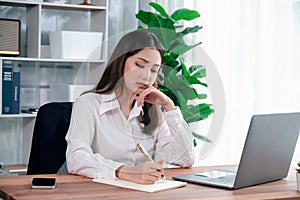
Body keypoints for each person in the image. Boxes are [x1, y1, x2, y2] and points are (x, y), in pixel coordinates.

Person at [65, 30, 195, 184]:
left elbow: (185, 159)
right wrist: (125, 171)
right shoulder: (88, 104)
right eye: (140, 65)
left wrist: (170, 106)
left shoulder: (153, 111)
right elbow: (77, 157)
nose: (147, 77)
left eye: (154, 70)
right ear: (120, 62)